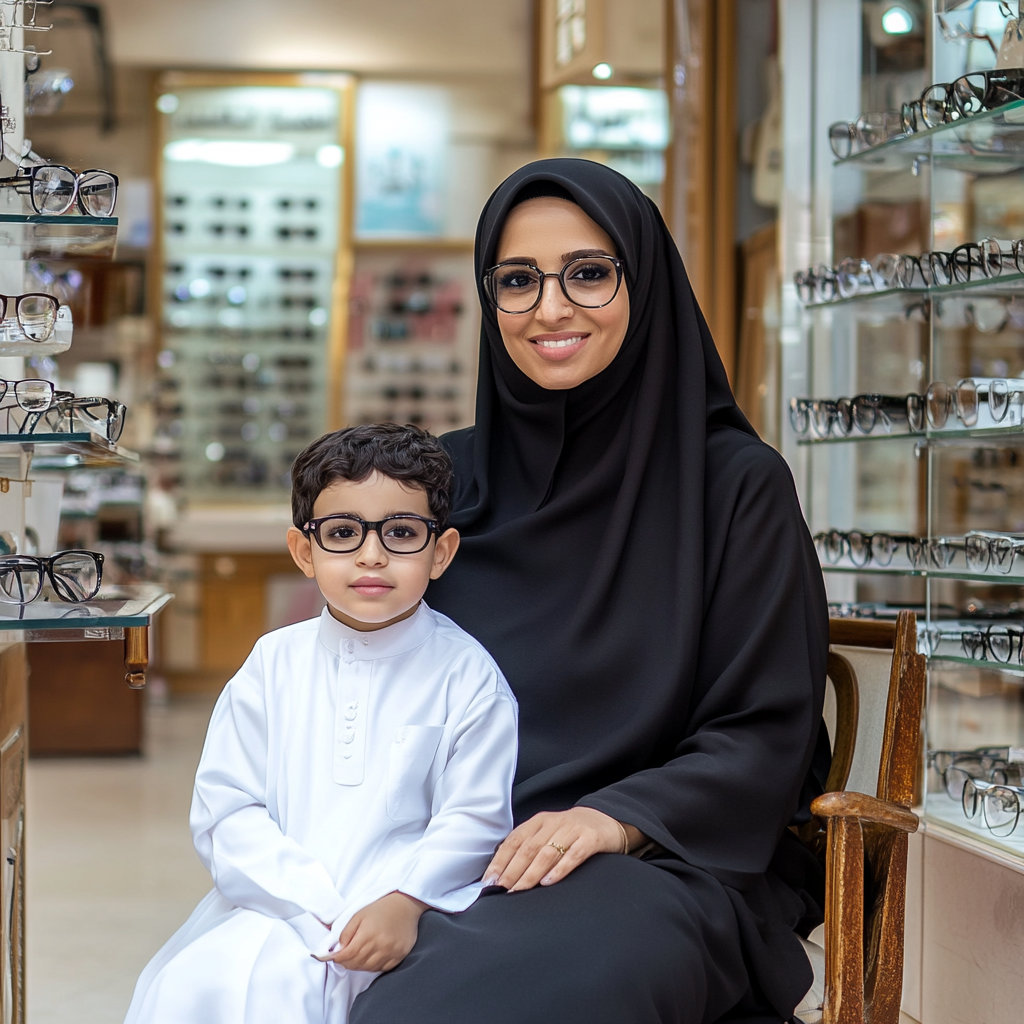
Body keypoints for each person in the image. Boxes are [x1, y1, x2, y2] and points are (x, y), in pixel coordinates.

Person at [350, 160, 830, 1024]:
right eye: (518, 280)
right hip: (441, 848)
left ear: (643, 284)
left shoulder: (733, 487)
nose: (550, 308)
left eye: (589, 273)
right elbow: (364, 672)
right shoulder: (446, 483)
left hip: (659, 862)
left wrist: (615, 818)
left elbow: (765, 726)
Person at [123, 423, 518, 1024]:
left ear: (441, 553)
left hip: (413, 911)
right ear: (304, 551)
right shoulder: (272, 663)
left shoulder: (468, 676)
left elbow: (473, 819)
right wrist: (312, 902)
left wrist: (402, 901)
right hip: (277, 904)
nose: (371, 555)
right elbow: (228, 807)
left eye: (402, 533)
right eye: (342, 533)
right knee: (198, 987)